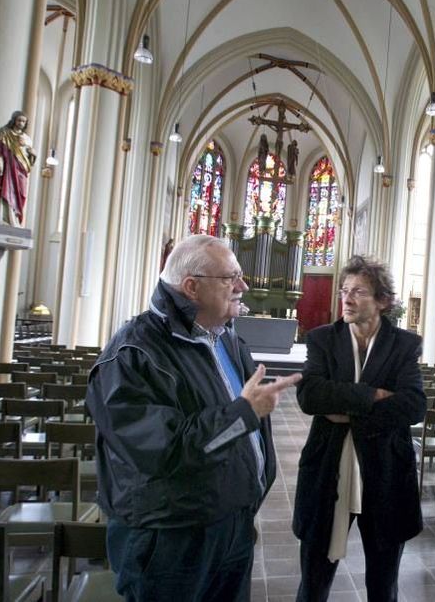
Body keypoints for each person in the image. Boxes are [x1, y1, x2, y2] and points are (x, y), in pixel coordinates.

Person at [86, 234, 301, 601]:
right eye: (230, 278)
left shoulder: (226, 337)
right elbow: (164, 451)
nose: (243, 286)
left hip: (231, 527)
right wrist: (244, 413)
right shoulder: (132, 354)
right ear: (191, 287)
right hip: (172, 540)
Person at [293, 255, 426, 602]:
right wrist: (371, 396)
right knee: (314, 583)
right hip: (328, 469)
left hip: (385, 473)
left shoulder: (404, 345)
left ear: (383, 300)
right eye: (344, 291)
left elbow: (413, 405)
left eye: (359, 292)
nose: (347, 299)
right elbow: (309, 396)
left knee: (383, 586)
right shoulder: (323, 339)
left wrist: (345, 410)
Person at [0, 110, 36, 226]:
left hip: (20, 172)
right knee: (4, 191)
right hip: (6, 171)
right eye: (19, 120)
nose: (21, 123)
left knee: (19, 194)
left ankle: (14, 220)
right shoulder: (3, 134)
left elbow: (28, 160)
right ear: (14, 120)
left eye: (23, 121)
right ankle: (1, 217)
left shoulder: (27, 139)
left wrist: (33, 154)